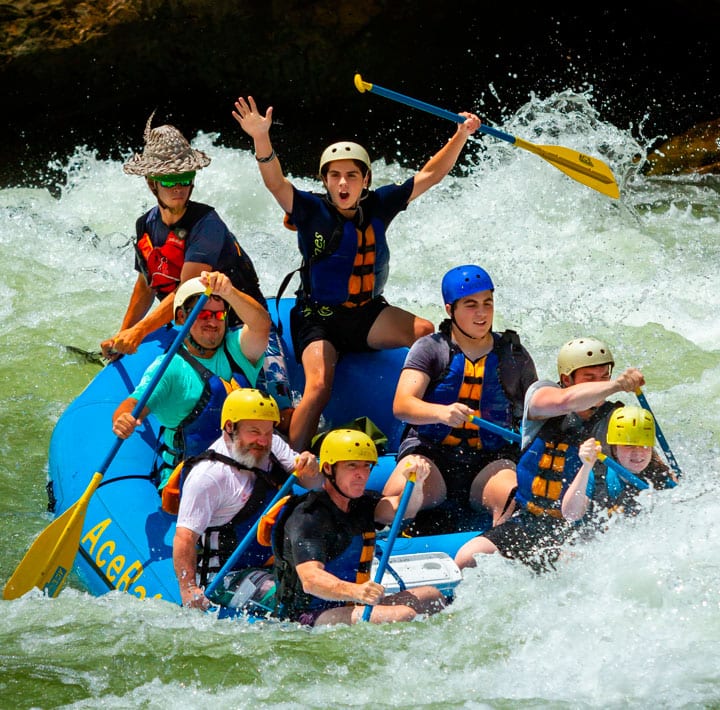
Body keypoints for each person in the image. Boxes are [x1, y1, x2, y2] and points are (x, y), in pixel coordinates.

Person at [231, 95, 482, 451]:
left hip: (367, 314)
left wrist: (461, 135)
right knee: (318, 386)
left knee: (427, 333)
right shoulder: (309, 210)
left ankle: (435, 425)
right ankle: (291, 461)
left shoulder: (380, 204)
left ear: (365, 179)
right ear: (326, 180)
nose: (343, 184)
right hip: (318, 318)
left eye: (352, 175)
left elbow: (430, 175)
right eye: (335, 176)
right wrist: (260, 136)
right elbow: (276, 182)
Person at [101, 112, 293, 427]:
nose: (179, 187)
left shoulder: (207, 224)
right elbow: (147, 284)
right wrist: (124, 334)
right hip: (195, 326)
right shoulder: (145, 225)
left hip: (239, 326)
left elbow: (186, 289)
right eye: (170, 180)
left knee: (279, 414)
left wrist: (139, 332)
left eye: (186, 178)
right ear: (152, 184)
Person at [454, 336, 646, 572]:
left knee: (570, 569)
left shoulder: (617, 418)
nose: (599, 385)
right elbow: (565, 401)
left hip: (581, 529)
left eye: (604, 376)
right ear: (566, 379)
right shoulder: (542, 397)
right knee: (466, 558)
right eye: (589, 378)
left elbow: (644, 462)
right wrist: (616, 384)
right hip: (530, 520)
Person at [382, 264, 538, 535]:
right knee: (395, 499)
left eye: (487, 303)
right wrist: (440, 413)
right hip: (431, 455)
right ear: (450, 309)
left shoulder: (513, 355)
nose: (482, 313)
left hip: (490, 461)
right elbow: (402, 405)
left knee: (514, 498)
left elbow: (537, 411)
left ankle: (502, 551)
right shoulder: (431, 348)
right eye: (470, 305)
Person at [269, 428, 445, 626]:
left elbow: (404, 510)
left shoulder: (362, 503)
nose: (361, 474)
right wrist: (357, 591)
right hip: (306, 616)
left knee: (432, 597)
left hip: (350, 602)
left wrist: (418, 481)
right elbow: (311, 580)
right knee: (404, 615)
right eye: (352, 466)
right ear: (328, 468)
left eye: (366, 466)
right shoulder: (307, 516)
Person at [112, 271, 270, 489]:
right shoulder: (169, 368)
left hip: (246, 469)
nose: (213, 322)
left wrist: (229, 292)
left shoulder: (238, 350)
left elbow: (261, 325)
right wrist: (122, 419)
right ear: (181, 318)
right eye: (203, 314)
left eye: (218, 315)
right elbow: (132, 405)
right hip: (192, 481)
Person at [172, 388, 322, 610]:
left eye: (268, 432)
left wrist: (311, 468)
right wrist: (188, 590)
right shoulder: (209, 476)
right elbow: (184, 538)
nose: (262, 441)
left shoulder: (272, 446)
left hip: (274, 562)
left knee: (326, 590)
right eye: (254, 432)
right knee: (294, 601)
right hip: (226, 577)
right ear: (230, 427)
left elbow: (315, 484)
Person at [562, 405, 675, 523]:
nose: (637, 452)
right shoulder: (597, 474)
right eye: (628, 446)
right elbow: (570, 515)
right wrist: (586, 466)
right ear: (615, 449)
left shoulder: (661, 477)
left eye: (644, 446)